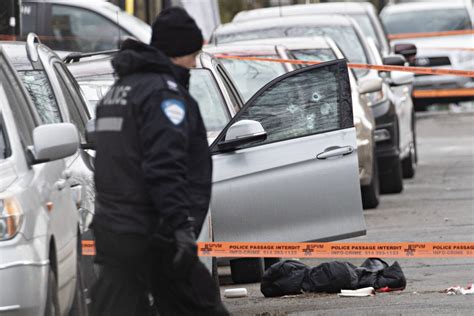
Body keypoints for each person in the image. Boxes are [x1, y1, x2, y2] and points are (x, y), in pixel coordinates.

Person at [90, 7, 229, 316]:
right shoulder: (163, 96)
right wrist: (181, 228)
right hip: (156, 234)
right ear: (177, 53)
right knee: (202, 306)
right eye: (193, 56)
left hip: (115, 232)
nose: (194, 64)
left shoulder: (118, 92)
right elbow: (164, 168)